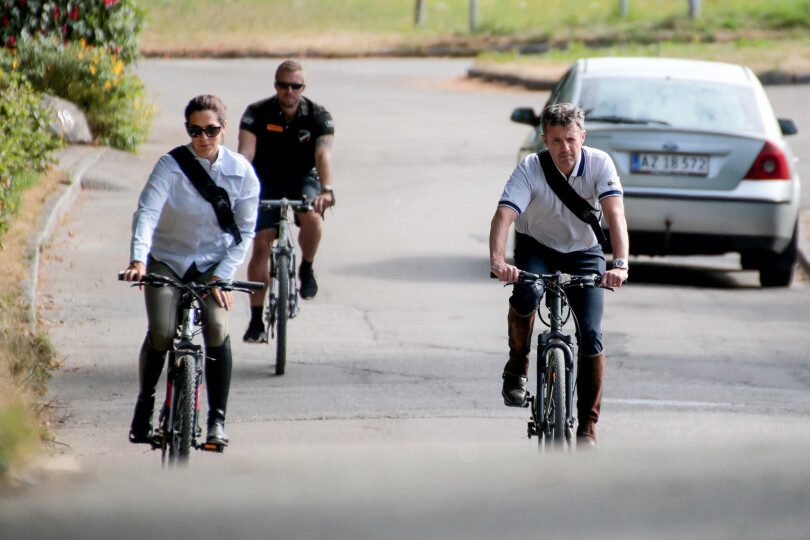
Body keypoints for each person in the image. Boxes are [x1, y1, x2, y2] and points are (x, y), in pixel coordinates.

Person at [120, 94, 260, 447]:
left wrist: (223, 274)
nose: (203, 138)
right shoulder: (170, 165)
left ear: (224, 128)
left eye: (211, 130)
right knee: (164, 332)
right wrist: (139, 260)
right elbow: (147, 212)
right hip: (168, 259)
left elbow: (245, 232)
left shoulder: (242, 173)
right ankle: (145, 404)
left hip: (213, 265)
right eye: (195, 130)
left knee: (215, 326)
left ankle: (217, 421)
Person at [489, 102, 629, 447]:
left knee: (592, 333)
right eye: (555, 141)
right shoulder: (530, 169)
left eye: (570, 139)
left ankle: (587, 428)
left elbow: (616, 216)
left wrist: (620, 264)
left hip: (584, 252)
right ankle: (517, 367)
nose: (564, 148)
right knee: (526, 293)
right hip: (537, 247)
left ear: (582, 136)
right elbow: (504, 215)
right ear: (544, 140)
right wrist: (497, 260)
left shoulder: (600, 164)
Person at [239, 60, 335, 343]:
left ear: (303, 87)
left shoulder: (318, 115)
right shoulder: (256, 113)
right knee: (260, 247)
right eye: (283, 85)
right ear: (276, 86)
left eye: (295, 86)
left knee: (312, 217)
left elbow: (323, 155)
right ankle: (256, 321)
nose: (289, 91)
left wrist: (326, 191)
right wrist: (238, 186)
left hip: (303, 178)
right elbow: (245, 154)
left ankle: (306, 265)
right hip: (265, 180)